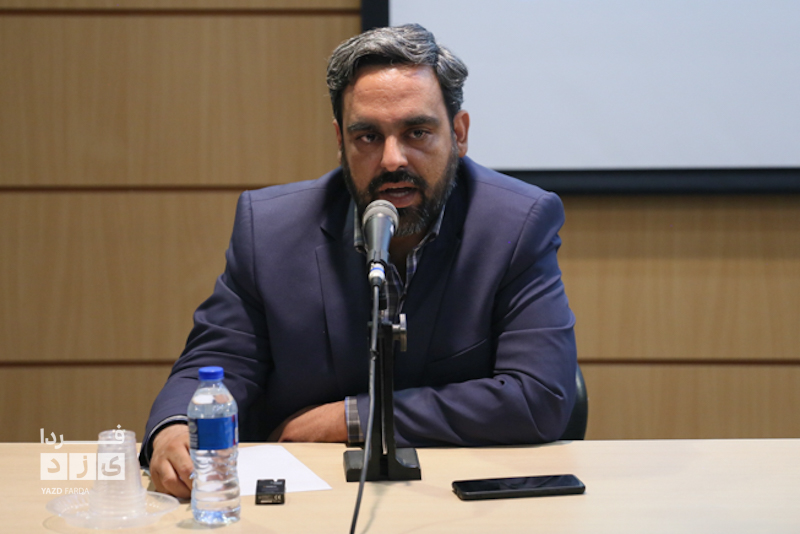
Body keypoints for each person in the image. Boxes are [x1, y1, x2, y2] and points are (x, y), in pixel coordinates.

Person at [140, 24, 577, 498]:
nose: (392, 159)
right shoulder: (269, 229)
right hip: (306, 499)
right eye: (368, 136)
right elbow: (218, 361)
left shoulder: (516, 224)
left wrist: (351, 417)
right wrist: (176, 425)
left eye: (417, 132)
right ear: (340, 140)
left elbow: (540, 396)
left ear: (458, 133)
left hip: (459, 497)